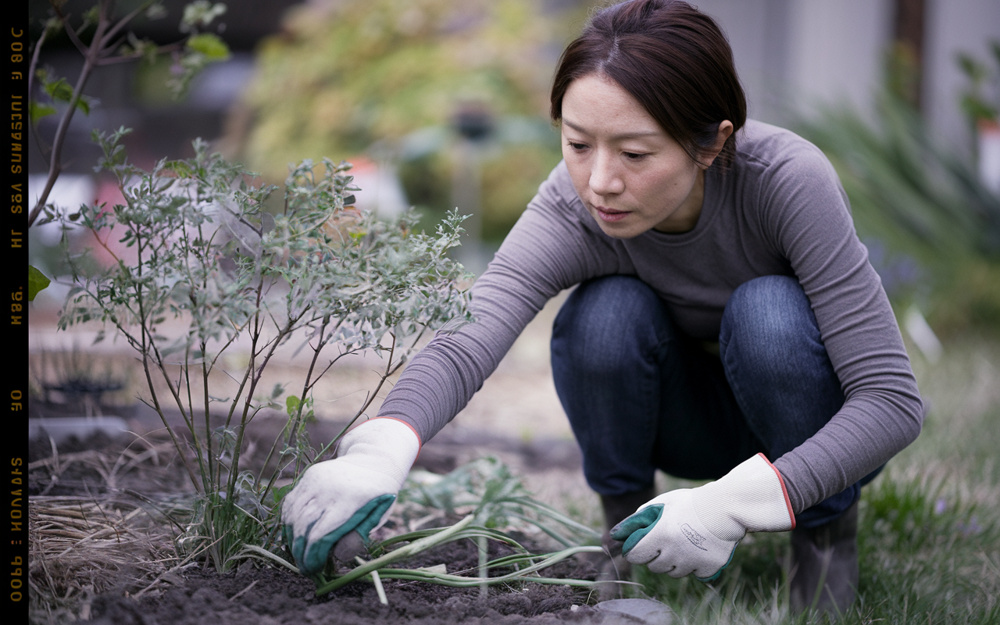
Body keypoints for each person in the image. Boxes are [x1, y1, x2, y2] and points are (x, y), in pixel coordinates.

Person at [281, 0, 924, 615]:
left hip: (802, 432)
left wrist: (733, 504)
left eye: (635, 153)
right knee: (603, 313)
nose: (600, 182)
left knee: (767, 313)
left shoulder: (784, 181)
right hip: (682, 423)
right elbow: (468, 337)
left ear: (710, 143)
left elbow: (891, 401)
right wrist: (381, 448)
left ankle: (823, 539)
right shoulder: (573, 207)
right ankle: (629, 540)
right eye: (578, 143)